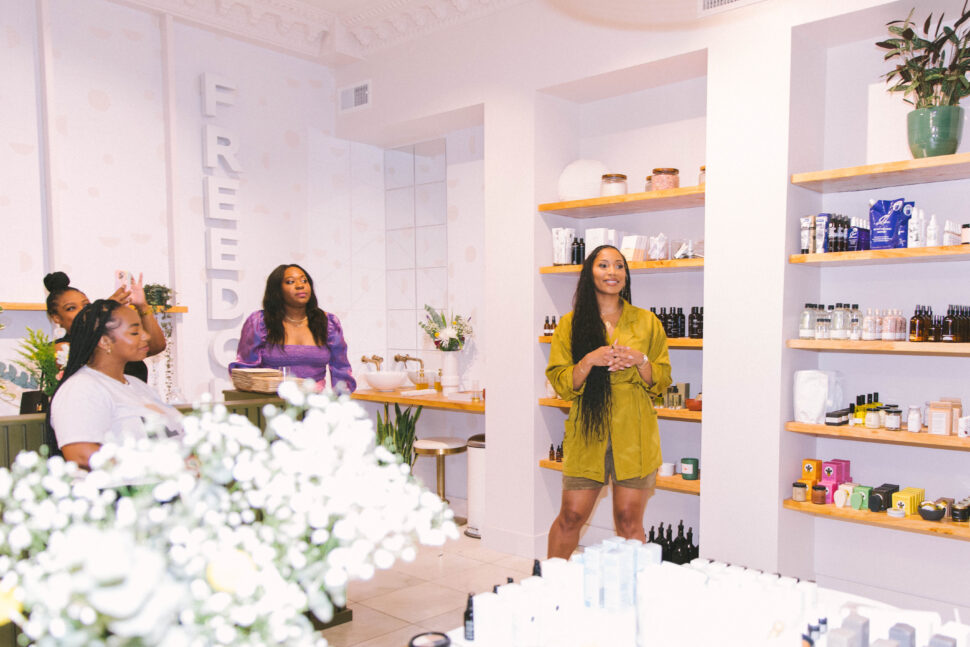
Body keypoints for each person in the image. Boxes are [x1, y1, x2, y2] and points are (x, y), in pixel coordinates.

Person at [545, 245, 672, 558]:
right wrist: (590, 360)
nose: (612, 272)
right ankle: (550, 587)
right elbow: (562, 383)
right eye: (603, 265)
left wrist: (640, 360)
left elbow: (662, 379)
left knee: (629, 520)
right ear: (590, 273)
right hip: (588, 429)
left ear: (626, 276)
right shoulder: (570, 325)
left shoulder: (646, 322)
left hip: (635, 430)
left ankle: (632, 596)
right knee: (572, 516)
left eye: (619, 266)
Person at [49, 300, 183, 469]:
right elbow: (81, 454)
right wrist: (156, 467)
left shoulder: (137, 385)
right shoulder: (81, 388)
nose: (146, 336)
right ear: (104, 342)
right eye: (135, 332)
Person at [230, 264, 356, 392]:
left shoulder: (328, 322)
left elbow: (341, 370)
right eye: (290, 282)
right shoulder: (260, 322)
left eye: (304, 280)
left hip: (315, 405)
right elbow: (245, 372)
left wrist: (339, 404)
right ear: (277, 290)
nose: (300, 285)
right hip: (271, 405)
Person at [43, 271, 167, 381]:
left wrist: (142, 306)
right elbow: (81, 355)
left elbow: (156, 346)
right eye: (71, 308)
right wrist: (102, 311)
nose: (83, 311)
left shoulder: (115, 340)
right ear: (56, 317)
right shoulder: (58, 348)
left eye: (86, 306)